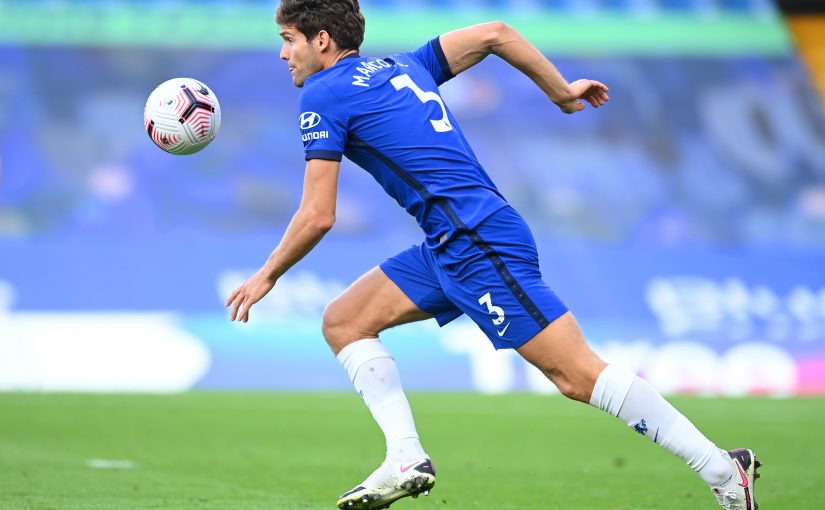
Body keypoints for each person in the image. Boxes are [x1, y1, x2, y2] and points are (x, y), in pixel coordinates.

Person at [225, 1, 761, 509]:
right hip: (452, 241)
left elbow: (318, 214)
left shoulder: (324, 92)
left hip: (477, 242)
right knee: (345, 321)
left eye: (288, 39)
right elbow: (495, 33)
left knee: (578, 376)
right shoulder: (405, 65)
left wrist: (267, 275)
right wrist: (561, 93)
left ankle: (720, 469)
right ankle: (405, 458)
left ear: (321, 40)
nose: (283, 53)